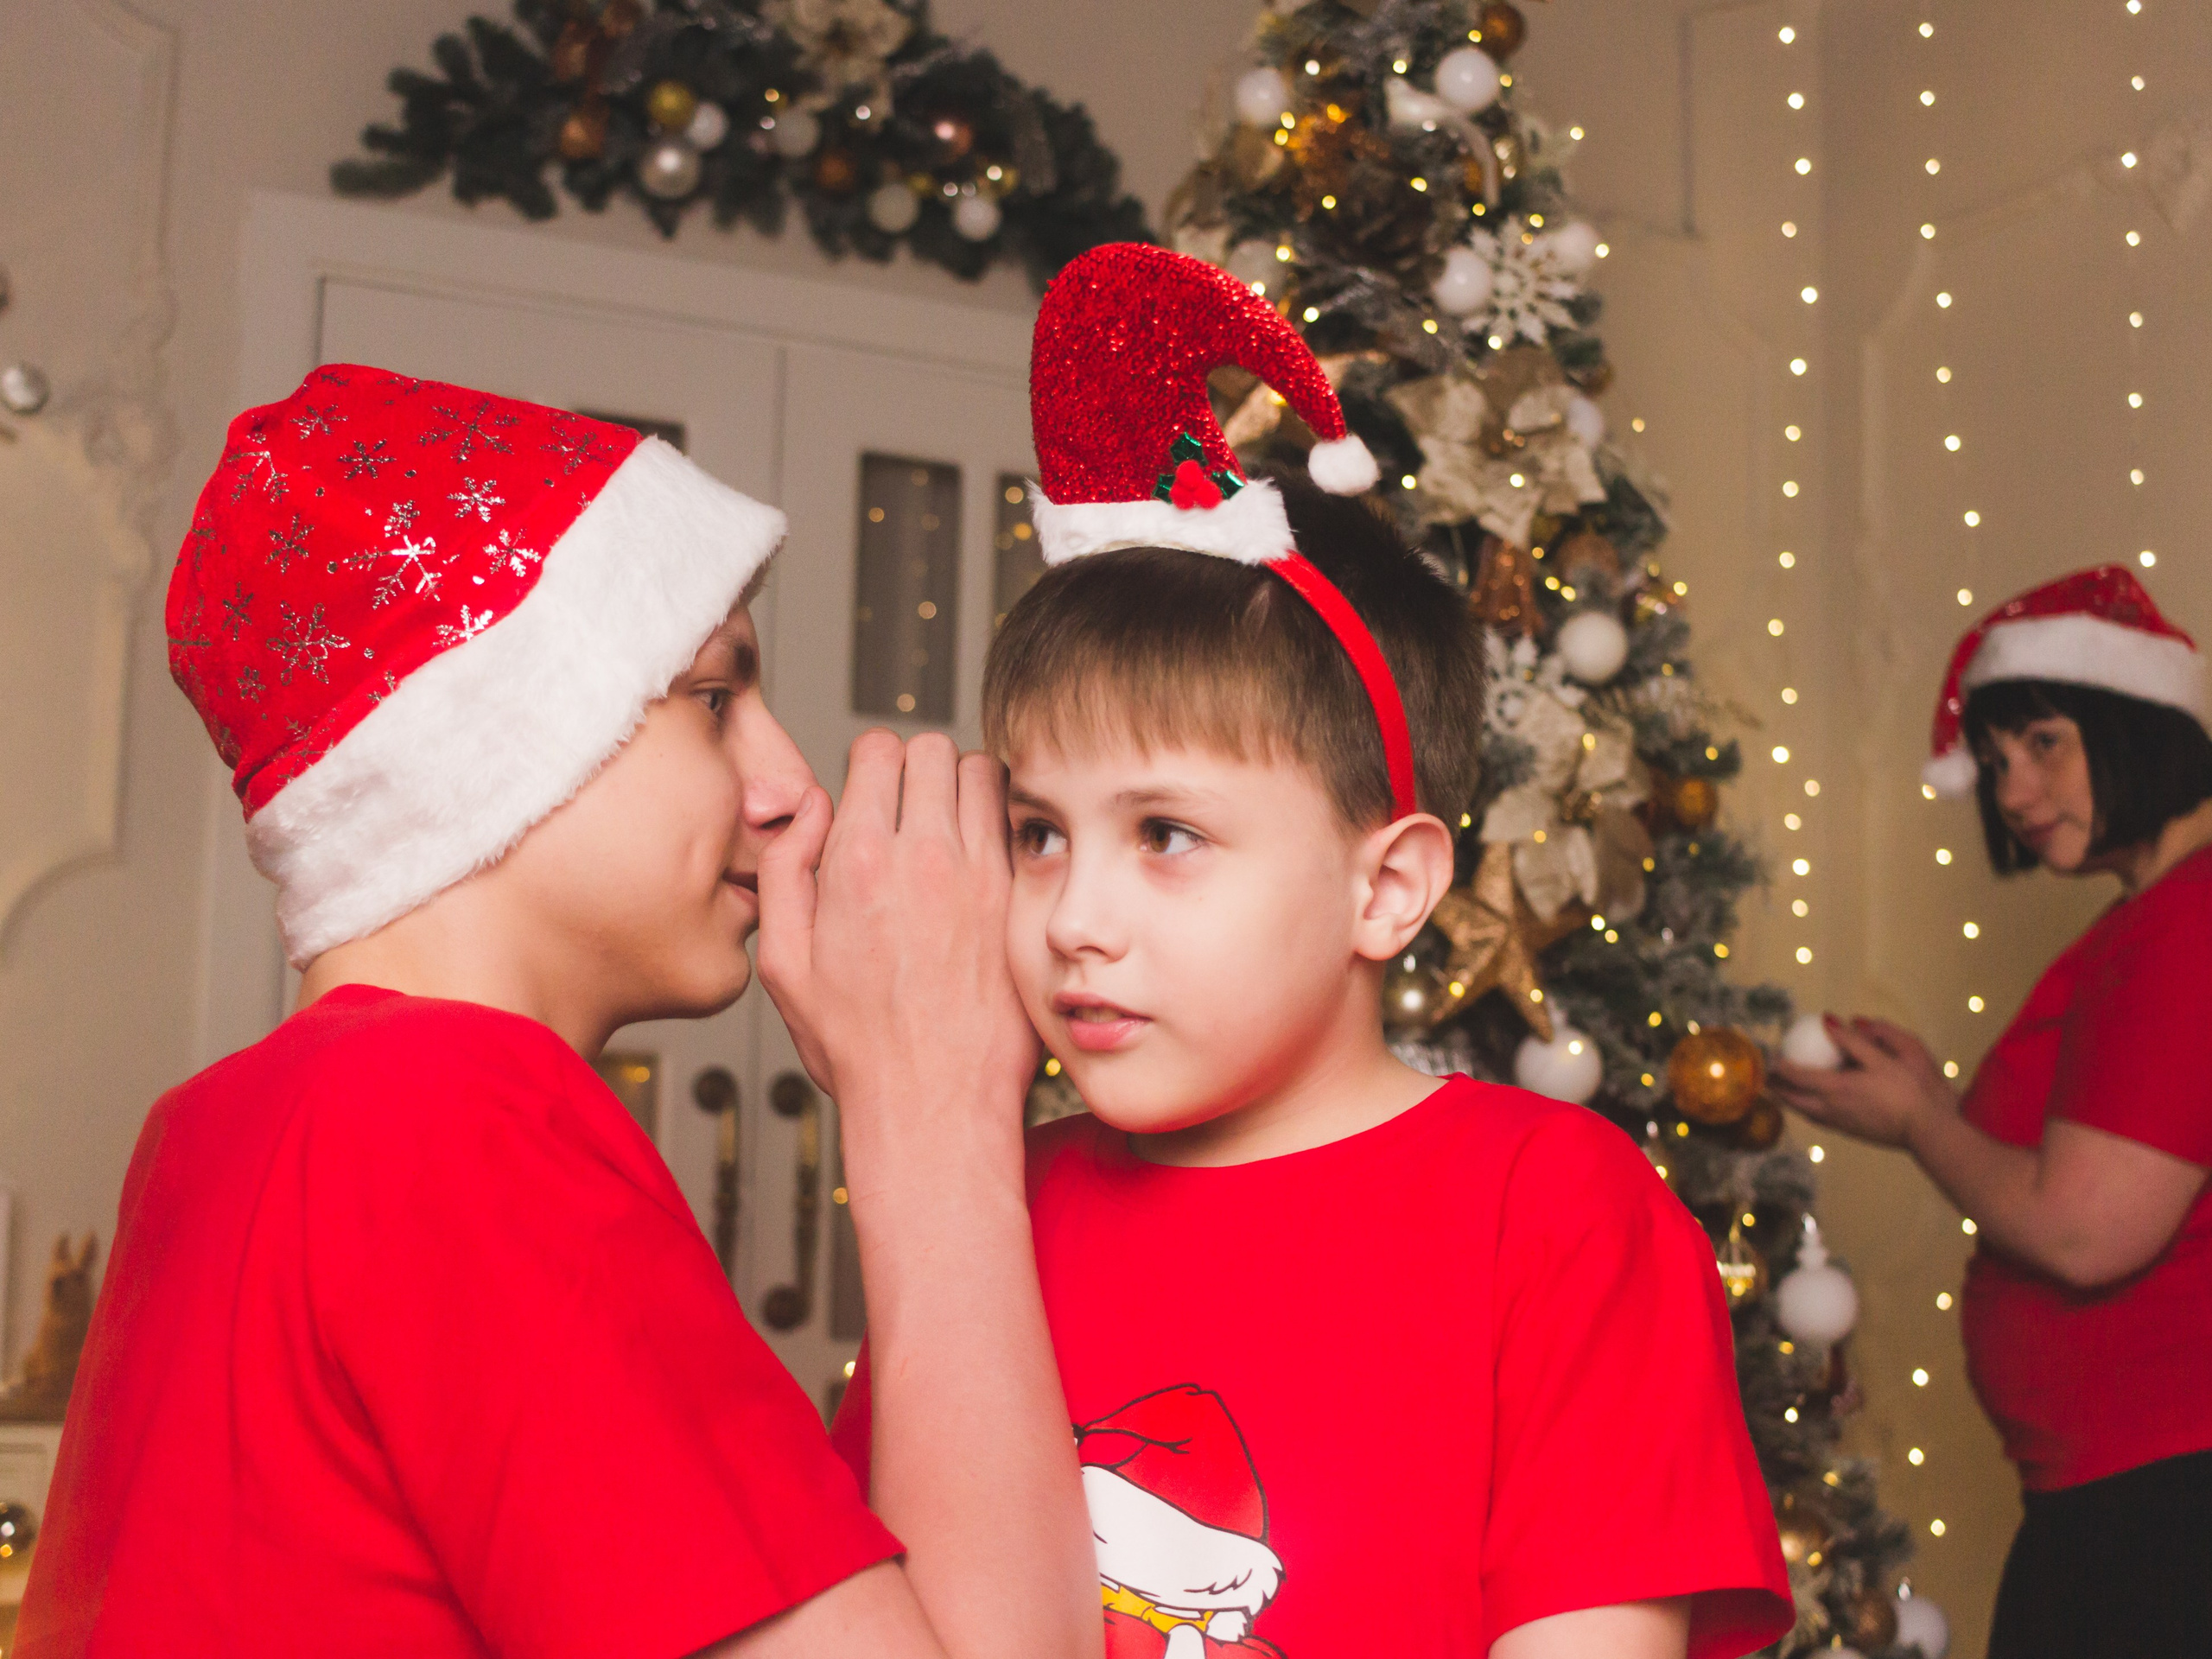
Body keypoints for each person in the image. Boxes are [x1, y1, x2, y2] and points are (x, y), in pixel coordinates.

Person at [17, 371, 1100, 1659]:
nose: (785, 782)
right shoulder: (448, 1111)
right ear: (505, 739)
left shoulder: (213, 1126)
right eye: (713, 700)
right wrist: (932, 1104)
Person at [833, 245, 1793, 1659]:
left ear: (1387, 888)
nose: (1074, 916)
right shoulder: (986, 1203)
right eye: (1039, 832)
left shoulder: (1555, 1214)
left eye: (1166, 833)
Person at [1770, 567, 2212, 1659]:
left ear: (2139, 719)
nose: (2013, 792)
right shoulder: (2151, 922)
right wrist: (1922, 1104)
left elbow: (2084, 1229)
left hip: (2162, 1506)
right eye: (1996, 762)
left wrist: (1923, 1121)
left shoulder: (2187, 925)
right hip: (2121, 1498)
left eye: (2044, 744)